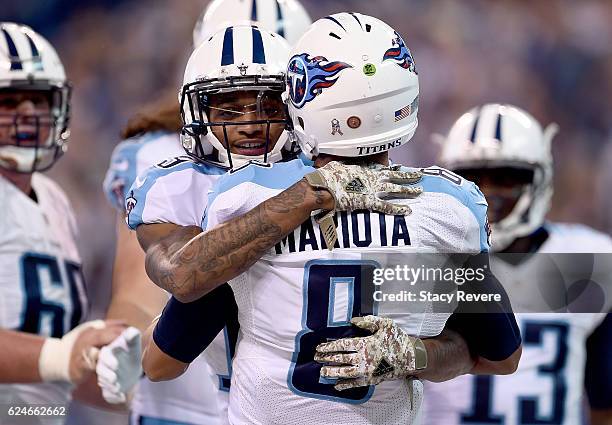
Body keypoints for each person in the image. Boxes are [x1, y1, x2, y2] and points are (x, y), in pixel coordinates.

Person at [138, 14, 522, 425]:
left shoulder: (245, 195)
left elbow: (163, 360)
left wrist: (305, 196)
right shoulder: (449, 209)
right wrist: (414, 352)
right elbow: (501, 355)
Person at [99, 0, 311, 418]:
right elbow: (154, 287)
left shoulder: (331, 164)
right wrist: (132, 339)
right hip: (190, 405)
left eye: (269, 101)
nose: (252, 122)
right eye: (231, 103)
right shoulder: (166, 169)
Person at [423, 103, 612, 425]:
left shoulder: (590, 258)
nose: (486, 193)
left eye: (506, 177)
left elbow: (605, 402)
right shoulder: (423, 260)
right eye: (470, 178)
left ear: (540, 179)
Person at [0, 22, 127, 424]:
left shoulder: (54, 200)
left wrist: (111, 372)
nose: (29, 112)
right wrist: (61, 355)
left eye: (39, 99)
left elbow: (56, 365)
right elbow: (56, 356)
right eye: (10, 99)